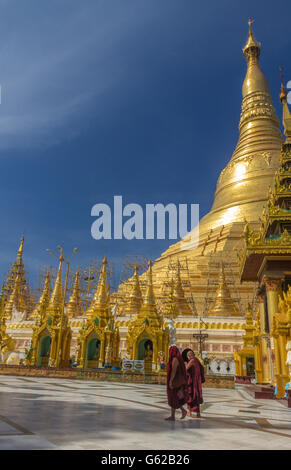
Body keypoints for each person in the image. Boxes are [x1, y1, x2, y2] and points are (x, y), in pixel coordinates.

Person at [165, 345, 187, 421]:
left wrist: (170, 381)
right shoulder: (177, 358)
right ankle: (174, 415)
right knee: (174, 398)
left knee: (173, 397)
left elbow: (173, 371)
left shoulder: (175, 359)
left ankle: (180, 412)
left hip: (174, 381)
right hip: (176, 381)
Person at [182, 348, 205, 418]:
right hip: (196, 381)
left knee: (191, 396)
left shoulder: (192, 360)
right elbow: (202, 368)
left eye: (188, 357)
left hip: (192, 382)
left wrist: (185, 364)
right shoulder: (197, 360)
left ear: (189, 356)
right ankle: (198, 413)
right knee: (196, 397)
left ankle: (189, 412)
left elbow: (186, 369)